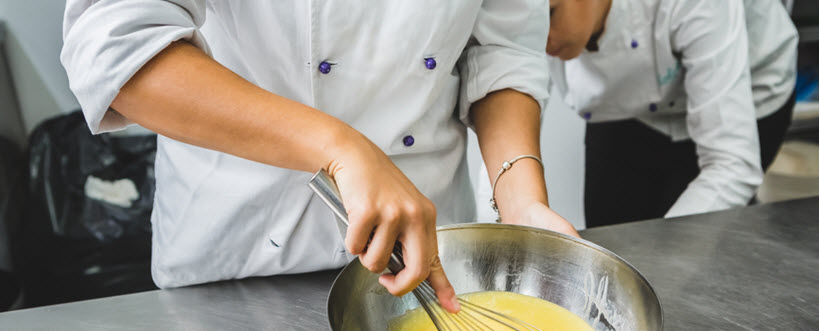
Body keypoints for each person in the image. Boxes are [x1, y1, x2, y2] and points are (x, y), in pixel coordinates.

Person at [60, 0, 579, 313]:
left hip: (426, 257)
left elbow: (504, 49)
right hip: (242, 254)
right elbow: (116, 47)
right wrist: (340, 148)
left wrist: (520, 200)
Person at [545, 0, 798, 227]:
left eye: (550, 14)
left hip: (747, 91)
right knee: (612, 229)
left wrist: (663, 257)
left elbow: (731, 164)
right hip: (636, 104)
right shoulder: (537, 25)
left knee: (703, 242)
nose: (542, 39)